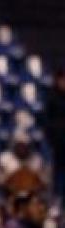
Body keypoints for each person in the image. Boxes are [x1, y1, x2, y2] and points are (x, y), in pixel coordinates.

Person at [42, 68, 65, 198]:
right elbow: (46, 122)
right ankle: (56, 198)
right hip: (58, 144)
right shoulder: (52, 98)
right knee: (58, 173)